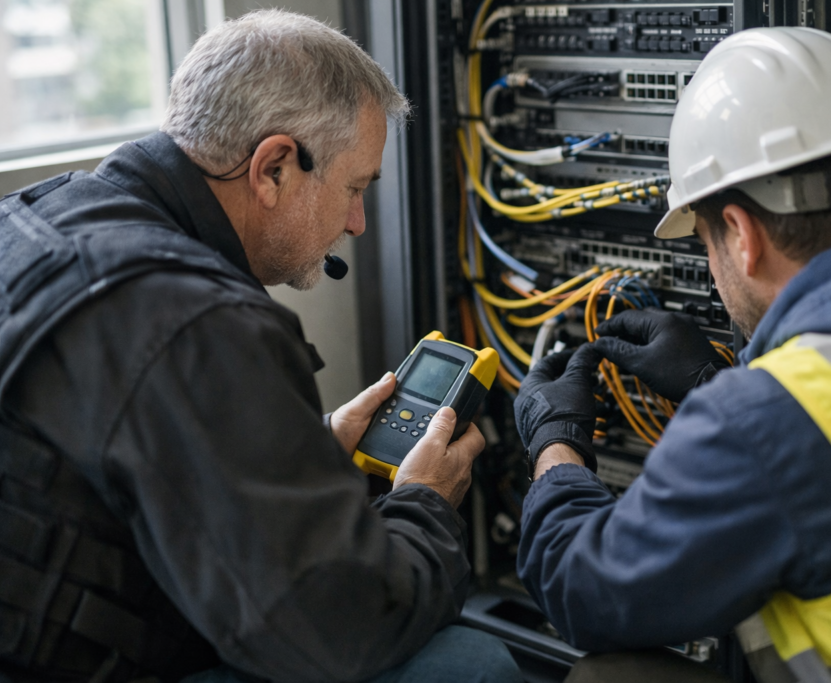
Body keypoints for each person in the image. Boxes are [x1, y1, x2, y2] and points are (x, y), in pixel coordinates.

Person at [0, 10, 521, 683]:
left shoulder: (37, 217)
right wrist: (423, 501)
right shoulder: (201, 322)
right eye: (355, 188)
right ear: (273, 166)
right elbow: (345, 630)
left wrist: (311, 450)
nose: (358, 224)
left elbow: (110, 483)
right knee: (473, 665)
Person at [513, 27, 831, 683]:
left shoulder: (768, 420)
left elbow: (581, 590)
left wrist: (556, 444)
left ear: (740, 235)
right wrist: (716, 383)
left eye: (702, 239)